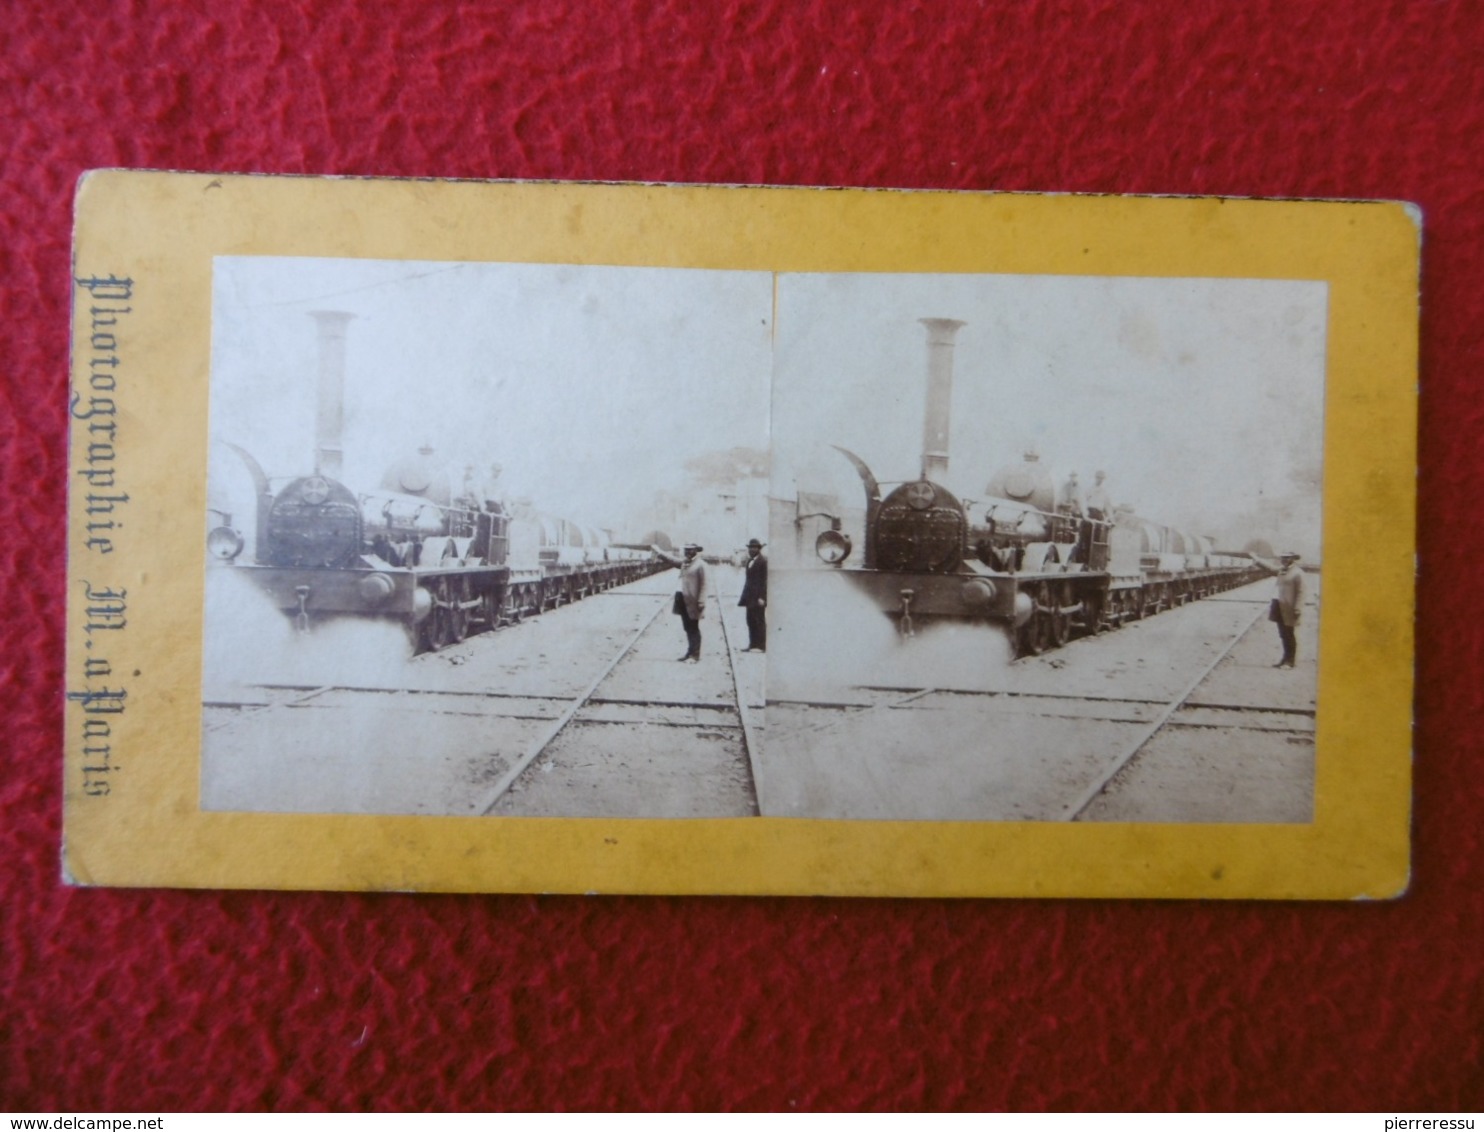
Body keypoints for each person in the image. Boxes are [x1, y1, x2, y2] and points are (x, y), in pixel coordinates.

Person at [657, 543, 707, 662]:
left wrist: (701, 601)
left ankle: (695, 655)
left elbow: (704, 585)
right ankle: (689, 653)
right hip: (682, 599)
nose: (688, 552)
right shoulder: (685, 563)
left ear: (696, 551)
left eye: (690, 550)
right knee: (687, 627)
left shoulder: (701, 565)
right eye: (686, 550)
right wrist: (659, 552)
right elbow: (673, 561)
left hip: (694, 601)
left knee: (693, 627)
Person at [1272, 551, 1305, 668]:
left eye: (1286, 557)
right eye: (1282, 557)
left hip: (1290, 607)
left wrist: (1297, 608)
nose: (1284, 559)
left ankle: (1290, 661)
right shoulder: (1282, 570)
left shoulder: (1297, 573)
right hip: (1279, 605)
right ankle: (1284, 659)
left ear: (1293, 559)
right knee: (1283, 634)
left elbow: (1301, 592)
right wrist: (1255, 559)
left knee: (1289, 634)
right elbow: (1270, 568)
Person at [737, 538, 768, 651]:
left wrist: (762, 597)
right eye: (750, 547)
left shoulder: (763, 561)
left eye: (754, 547)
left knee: (759, 620)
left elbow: (765, 581)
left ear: (759, 549)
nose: (751, 549)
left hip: (758, 598)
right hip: (750, 597)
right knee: (750, 620)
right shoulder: (750, 561)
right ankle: (753, 644)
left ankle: (762, 645)